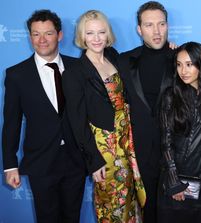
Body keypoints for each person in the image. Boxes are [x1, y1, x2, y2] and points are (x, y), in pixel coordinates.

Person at [2, 9, 86, 223]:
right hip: (41, 161)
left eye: (48, 33)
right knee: (47, 218)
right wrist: (10, 165)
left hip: (75, 159)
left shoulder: (79, 67)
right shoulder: (17, 74)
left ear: (59, 35)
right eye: (36, 34)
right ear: (30, 37)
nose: (42, 40)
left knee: (72, 217)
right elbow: (11, 123)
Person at [62, 10, 144, 222]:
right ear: (82, 36)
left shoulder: (114, 56)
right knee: (112, 204)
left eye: (101, 32)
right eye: (90, 33)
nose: (97, 38)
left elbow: (141, 59)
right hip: (104, 147)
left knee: (134, 199)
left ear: (108, 34)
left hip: (128, 140)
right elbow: (77, 122)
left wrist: (170, 49)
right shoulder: (74, 73)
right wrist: (94, 160)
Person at [118, 1, 174, 222]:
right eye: (149, 25)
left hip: (175, 151)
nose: (157, 31)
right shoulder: (124, 60)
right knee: (147, 210)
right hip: (139, 150)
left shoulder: (181, 59)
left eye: (161, 24)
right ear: (139, 30)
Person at [157, 41, 201, 223]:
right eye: (179, 65)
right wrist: (174, 181)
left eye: (189, 64)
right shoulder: (171, 96)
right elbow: (166, 141)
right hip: (176, 176)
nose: (183, 71)